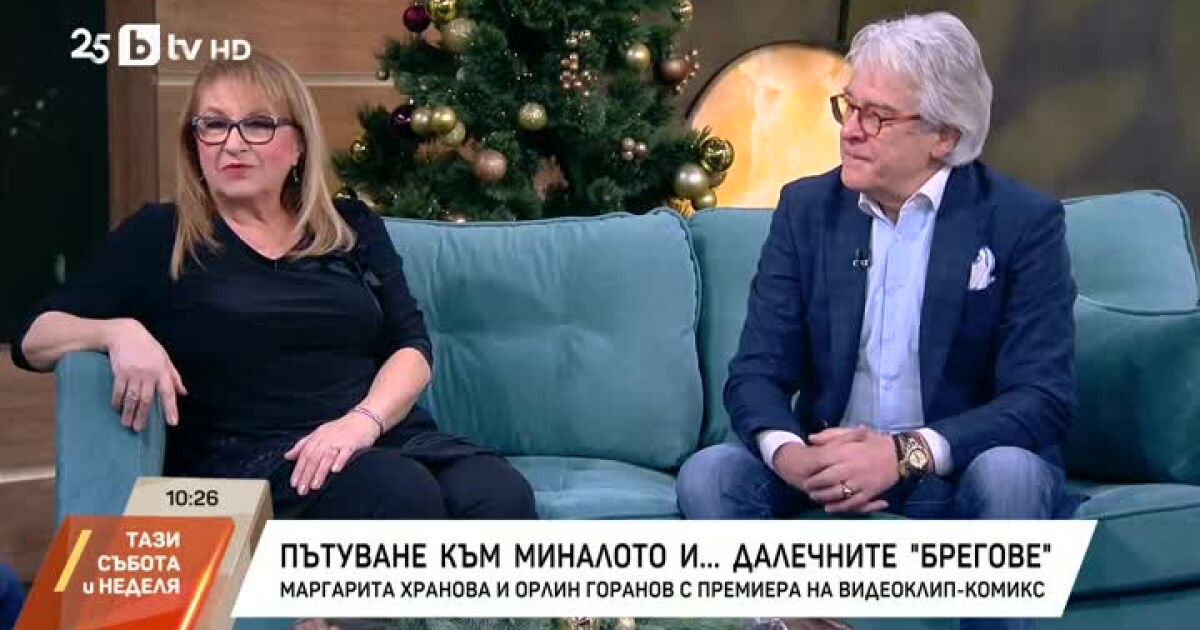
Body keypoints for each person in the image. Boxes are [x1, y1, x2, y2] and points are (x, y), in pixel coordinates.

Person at [677, 12, 1078, 626]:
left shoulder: (1021, 222)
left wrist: (905, 453)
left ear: (943, 136)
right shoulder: (807, 210)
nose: (850, 131)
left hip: (955, 467)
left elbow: (1043, 397)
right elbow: (756, 372)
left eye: (877, 117)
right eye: (849, 107)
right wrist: (791, 455)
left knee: (1011, 473)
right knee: (711, 474)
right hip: (829, 464)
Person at [12, 52, 535, 520]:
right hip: (253, 460)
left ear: (298, 145)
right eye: (214, 125)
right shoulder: (160, 234)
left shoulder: (350, 226)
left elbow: (411, 346)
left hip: (370, 433)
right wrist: (116, 332)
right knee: (396, 490)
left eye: (258, 124)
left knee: (497, 493)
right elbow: (33, 337)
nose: (233, 143)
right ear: (194, 144)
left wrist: (361, 424)